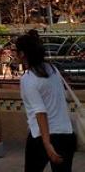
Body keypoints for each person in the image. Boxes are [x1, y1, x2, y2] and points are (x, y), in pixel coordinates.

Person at [17, 30, 76, 171]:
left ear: (22, 54)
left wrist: (47, 143)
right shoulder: (53, 69)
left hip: (41, 137)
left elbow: (40, 112)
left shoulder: (28, 79)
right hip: (66, 134)